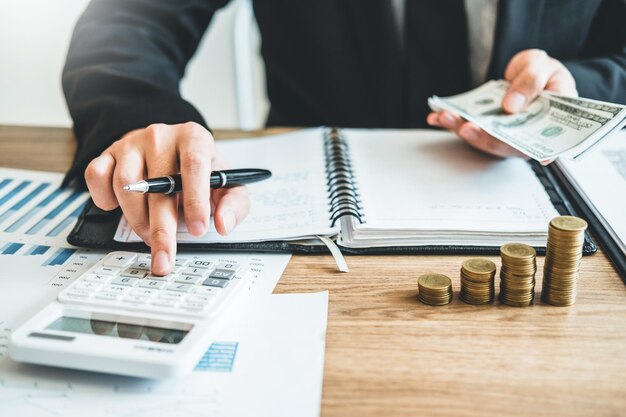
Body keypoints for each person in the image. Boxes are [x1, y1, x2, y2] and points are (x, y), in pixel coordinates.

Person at [62, 0, 626, 275]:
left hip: (557, 225)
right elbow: (129, 20)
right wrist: (141, 118)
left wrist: (582, 88)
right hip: (307, 244)